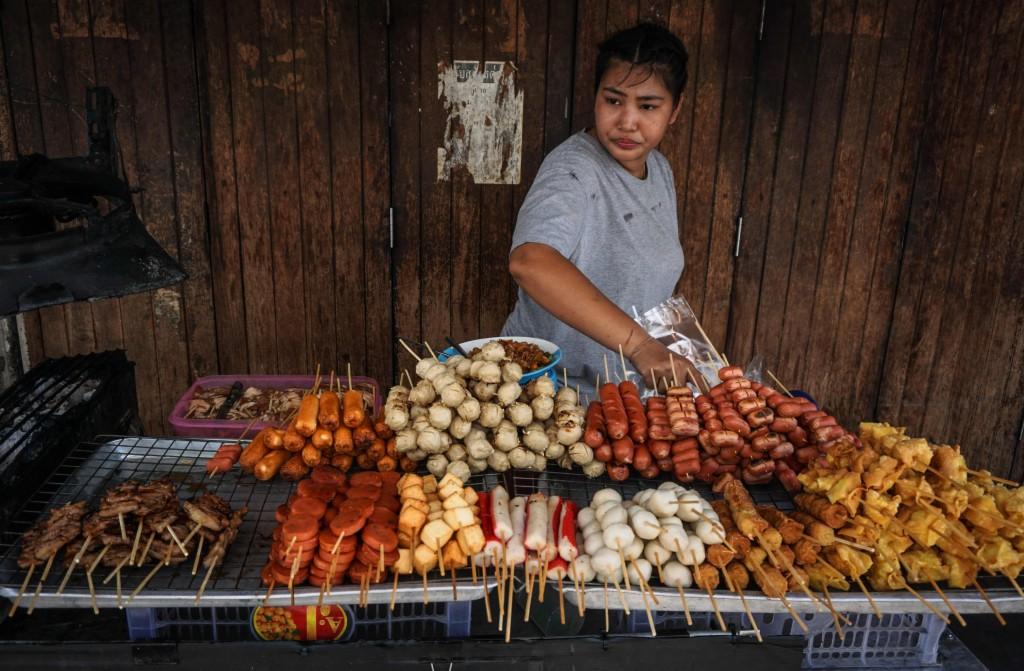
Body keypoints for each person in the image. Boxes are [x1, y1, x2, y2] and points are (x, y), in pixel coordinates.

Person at [502, 22, 702, 394]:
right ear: (595, 97)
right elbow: (530, 261)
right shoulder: (573, 170)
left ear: (675, 109)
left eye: (648, 106)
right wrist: (641, 348)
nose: (627, 122)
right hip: (547, 395)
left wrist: (686, 359)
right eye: (613, 101)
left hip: (624, 397)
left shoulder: (660, 169)